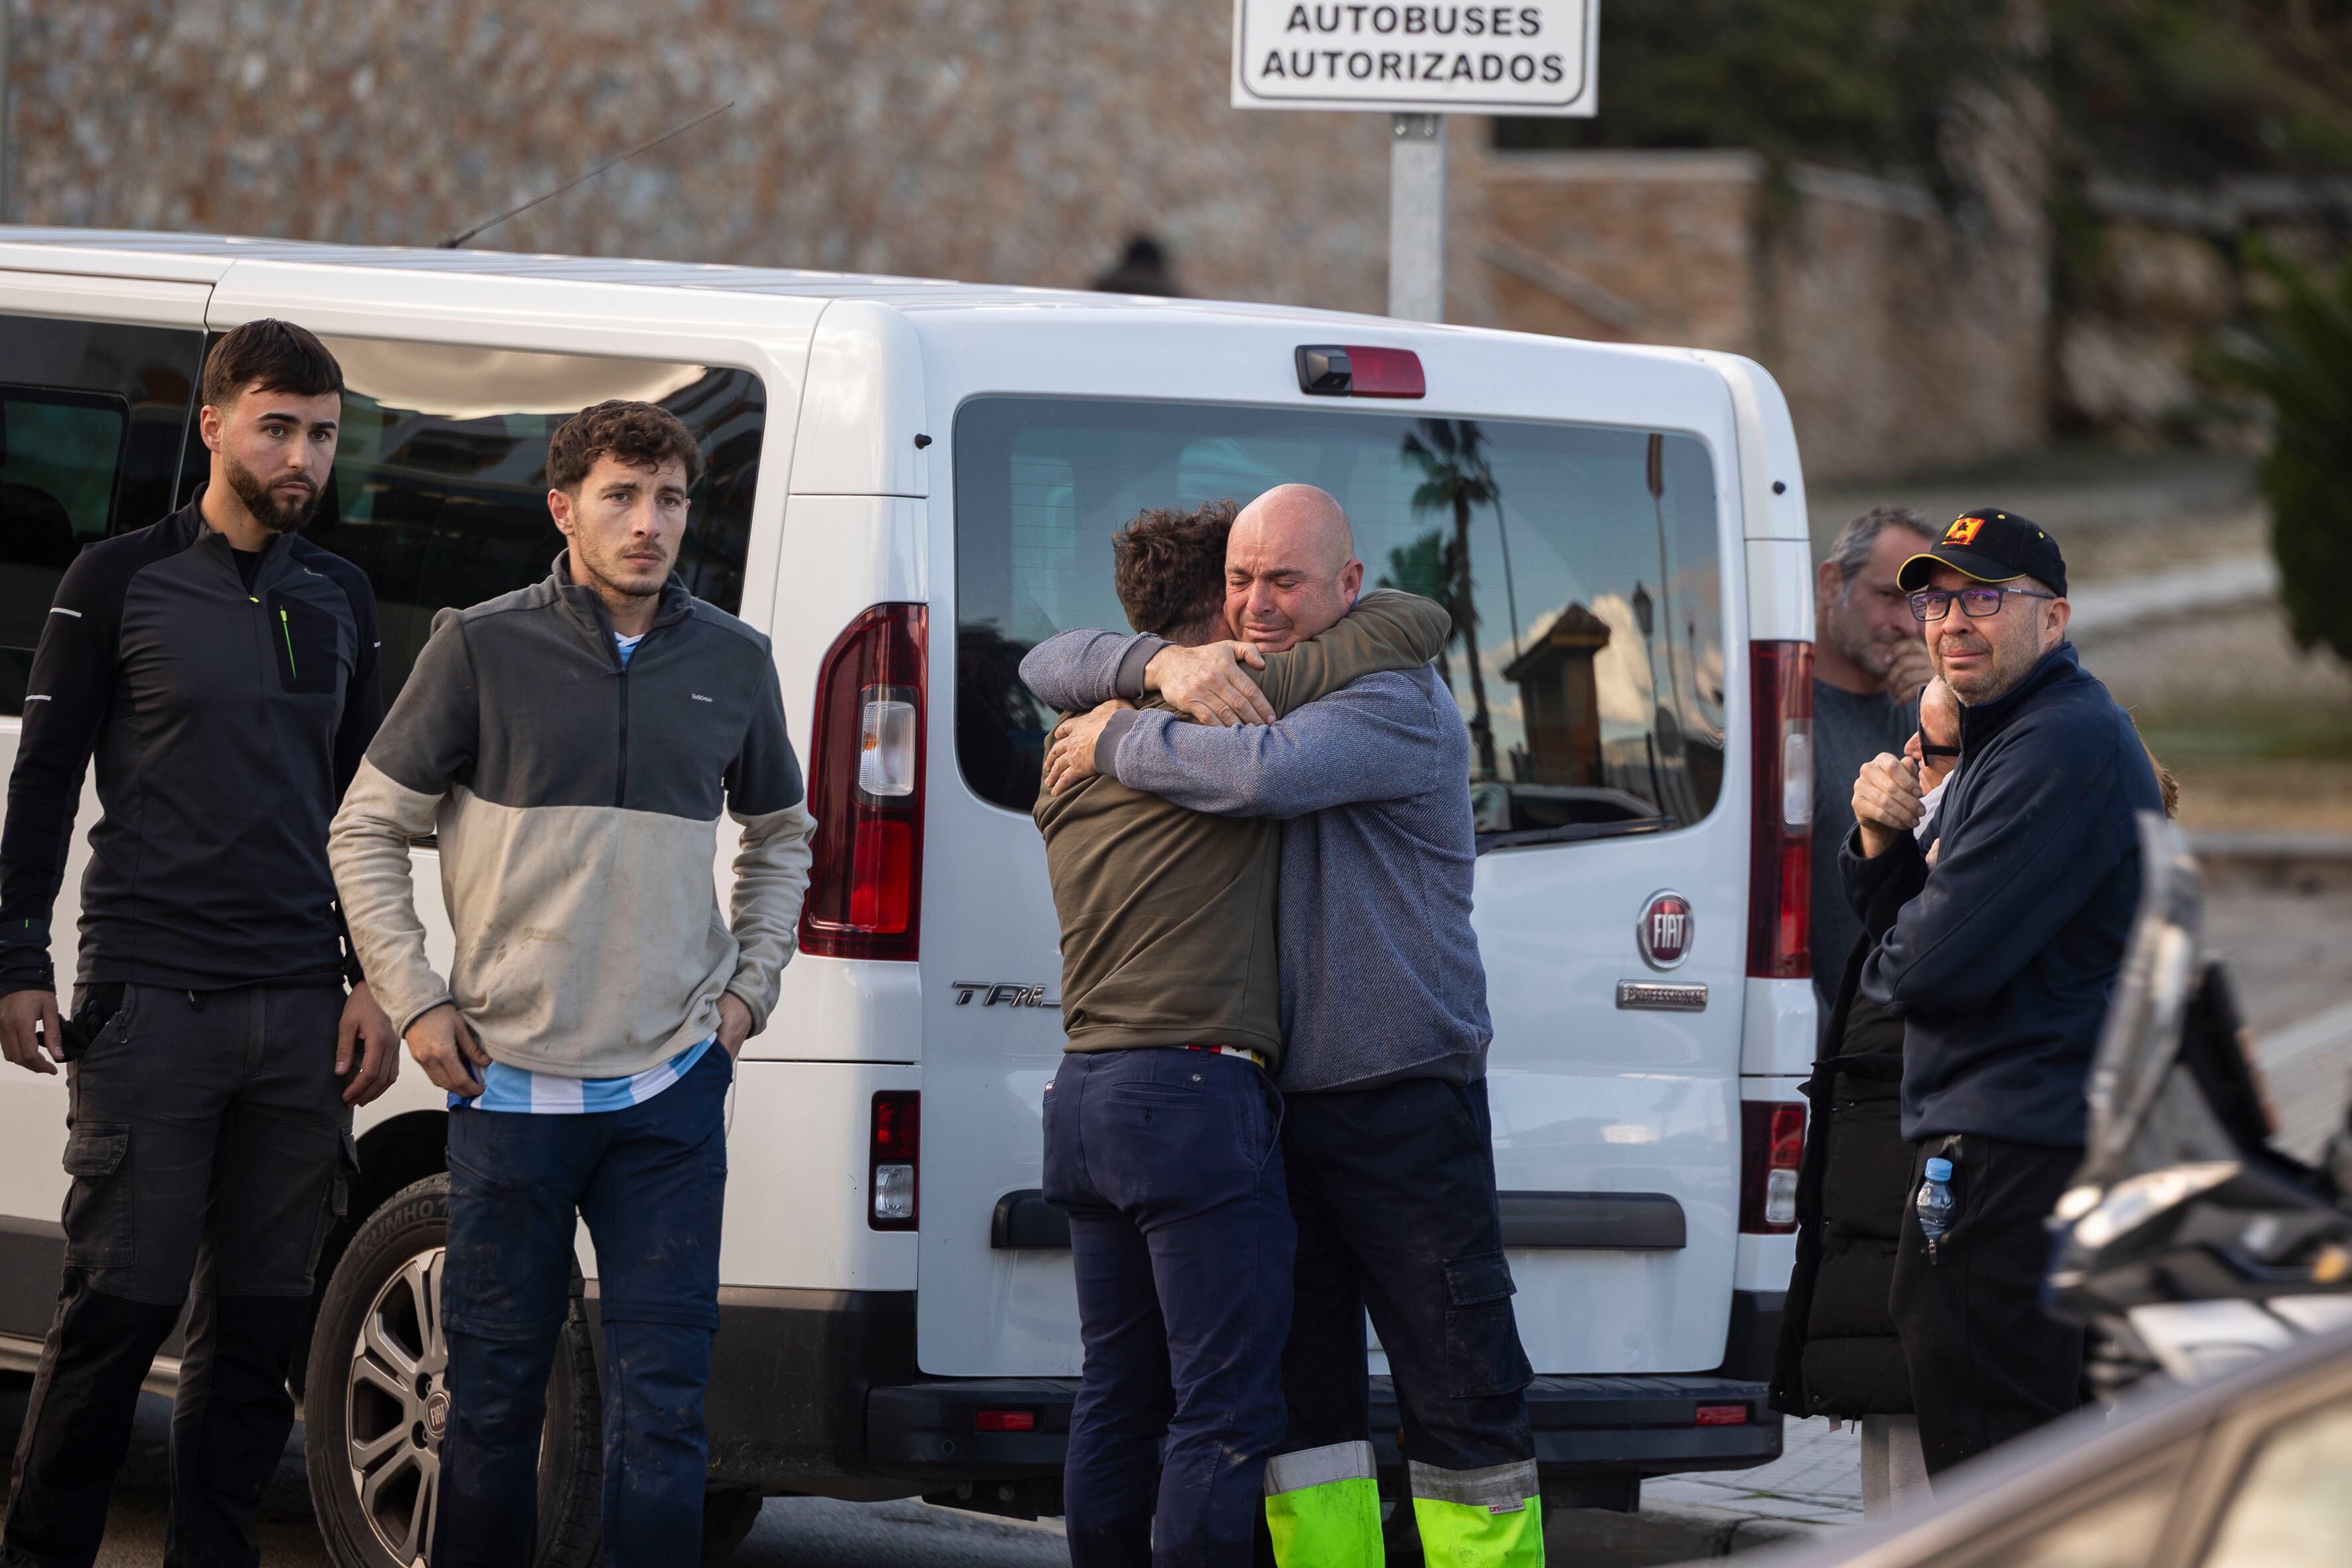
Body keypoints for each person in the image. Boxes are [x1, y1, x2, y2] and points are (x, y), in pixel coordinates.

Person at [327, 401, 813, 1565]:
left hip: (670, 1097)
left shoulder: (734, 660)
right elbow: (365, 828)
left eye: (671, 500)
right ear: (563, 507)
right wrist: (417, 996)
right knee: (488, 1412)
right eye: (621, 496)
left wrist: (751, 989)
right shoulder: (480, 646)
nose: (650, 524)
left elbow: (782, 834)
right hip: (509, 1093)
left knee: (666, 1414)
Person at [1029, 485, 1539, 1568]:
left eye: (1285, 581)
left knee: (1459, 1396)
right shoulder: (1236, 677)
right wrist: (1154, 667)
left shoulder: (1393, 699)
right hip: (1277, 1111)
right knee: (1306, 1424)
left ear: (1347, 587)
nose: (1257, 605)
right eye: (1239, 581)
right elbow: (1044, 662)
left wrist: (1117, 729)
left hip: (1403, 1095)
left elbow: (1268, 773)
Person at [0, 320, 401, 1568]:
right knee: (117, 1314)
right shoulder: (115, 578)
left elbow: (363, 813)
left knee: (260, 1333)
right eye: (278, 426)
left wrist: (377, 981)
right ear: (215, 423)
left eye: (324, 433)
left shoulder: (337, 597)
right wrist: (18, 955)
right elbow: (47, 780)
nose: (302, 455)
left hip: (299, 1016)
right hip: (150, 1005)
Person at [1845, 509, 2163, 1475]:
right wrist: (1879, 847)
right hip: (2013, 1144)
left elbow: (1925, 968)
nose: (1951, 622)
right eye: (1935, 598)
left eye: (1985, 598)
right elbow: (1917, 934)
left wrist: (1899, 937)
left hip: (2014, 1157)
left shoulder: (2057, 746)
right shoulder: (2004, 740)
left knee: (1996, 1480)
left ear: (2052, 619)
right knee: (2029, 1476)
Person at [1771, 678, 1961, 1518]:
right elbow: (1896, 941)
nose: (1908, 763)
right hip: (1897, 1260)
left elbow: (1934, 963)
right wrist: (1882, 845)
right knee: (1898, 1497)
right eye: (1912, 743)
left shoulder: (2011, 842)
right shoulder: (1950, 844)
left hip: (1948, 1260)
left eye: (1932, 749)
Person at [1809, 507, 1937, 1010]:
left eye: (1923, 605)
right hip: (1816, 1047)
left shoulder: (1933, 713)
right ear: (1830, 584)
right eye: (1888, 597)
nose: (1907, 625)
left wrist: (1946, 702)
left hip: (1910, 1044)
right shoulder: (1781, 716)